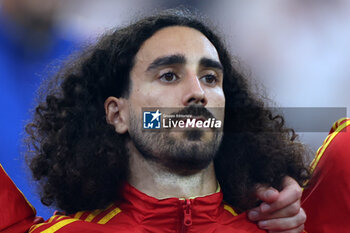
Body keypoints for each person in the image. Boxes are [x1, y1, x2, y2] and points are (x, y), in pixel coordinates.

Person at [1, 9, 310, 233]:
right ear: (117, 114)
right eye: (169, 75)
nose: (197, 93)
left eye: (211, 78)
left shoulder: (286, 227)